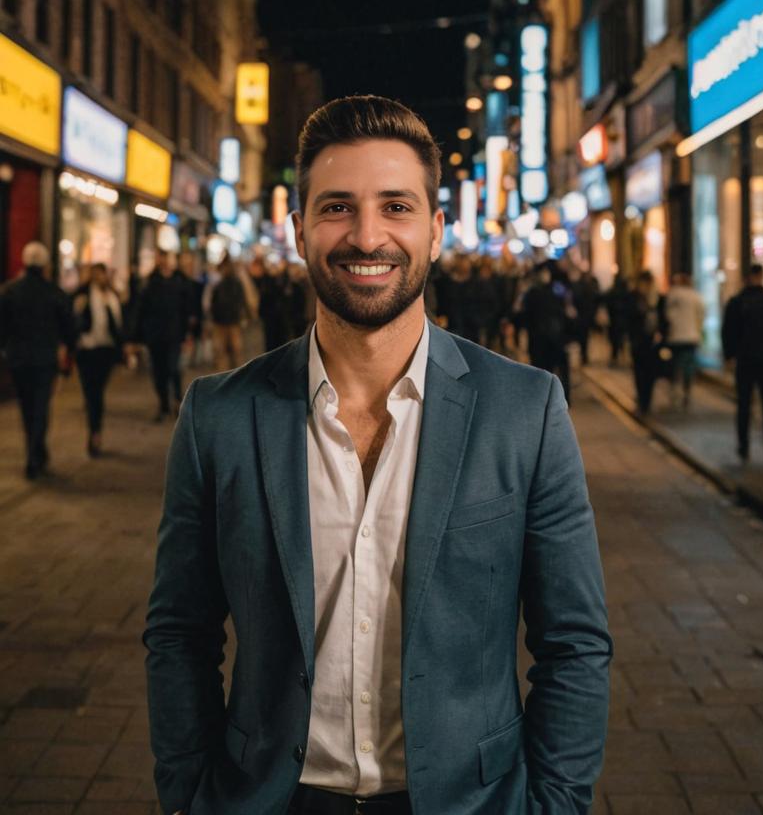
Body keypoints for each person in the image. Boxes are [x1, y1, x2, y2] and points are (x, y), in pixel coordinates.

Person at [144, 95, 611, 815]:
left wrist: (553, 804)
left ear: (435, 230)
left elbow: (575, 643)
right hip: (272, 799)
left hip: (468, 801)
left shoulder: (526, 410)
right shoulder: (220, 415)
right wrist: (187, 795)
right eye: (337, 207)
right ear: (299, 230)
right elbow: (179, 631)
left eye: (396, 207)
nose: (367, 236)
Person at [0, 242, 75, 478]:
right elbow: (69, 326)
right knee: (41, 406)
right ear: (45, 265)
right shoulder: (53, 292)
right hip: (44, 360)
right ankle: (35, 455)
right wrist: (69, 350)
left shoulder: (10, 290)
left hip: (18, 359)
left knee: (26, 407)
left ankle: (36, 452)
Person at [131, 250, 191, 421]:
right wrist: (136, 337)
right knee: (159, 372)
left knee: (174, 368)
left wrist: (188, 333)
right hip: (155, 335)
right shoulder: (150, 282)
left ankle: (178, 399)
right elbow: (141, 310)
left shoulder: (179, 281)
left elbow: (186, 310)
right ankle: (164, 404)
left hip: (174, 334)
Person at [73, 263, 123, 455]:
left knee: (97, 390)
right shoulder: (83, 296)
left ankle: (95, 429)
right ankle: (95, 432)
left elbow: (118, 325)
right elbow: (73, 321)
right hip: (86, 349)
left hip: (105, 350)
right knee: (91, 391)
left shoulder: (111, 296)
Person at [722, 263, 763, 462]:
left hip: (745, 360)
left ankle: (743, 446)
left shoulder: (737, 301)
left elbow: (728, 331)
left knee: (744, 404)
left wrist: (729, 356)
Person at [521, 262, 572, 403]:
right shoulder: (534, 292)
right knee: (545, 371)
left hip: (552, 338)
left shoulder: (556, 290)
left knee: (555, 371)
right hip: (542, 339)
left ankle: (557, 398)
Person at [627, 270, 666, 416]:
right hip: (638, 341)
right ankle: (642, 400)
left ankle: (647, 401)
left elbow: (664, 320)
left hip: (654, 342)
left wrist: (661, 334)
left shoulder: (658, 299)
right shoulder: (633, 298)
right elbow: (628, 318)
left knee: (651, 373)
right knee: (639, 372)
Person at [665, 273, 704, 410]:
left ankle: (675, 390)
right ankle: (687, 392)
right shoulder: (695, 295)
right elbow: (701, 314)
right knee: (688, 365)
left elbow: (668, 315)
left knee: (675, 364)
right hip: (691, 337)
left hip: (676, 337)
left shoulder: (673, 294)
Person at [210, 253, 248, 372]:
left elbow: (240, 301)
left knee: (235, 351)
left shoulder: (234, 283)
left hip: (232, 321)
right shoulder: (219, 284)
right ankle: (225, 375)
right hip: (221, 322)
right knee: (223, 352)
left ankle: (235, 375)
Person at [603, 275, 632, 366]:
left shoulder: (612, 292)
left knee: (615, 341)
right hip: (623, 321)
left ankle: (615, 358)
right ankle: (623, 358)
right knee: (622, 340)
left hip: (615, 321)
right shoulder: (626, 293)